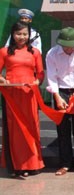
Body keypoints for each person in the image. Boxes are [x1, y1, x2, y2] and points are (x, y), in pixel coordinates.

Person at [0, 21, 44, 177]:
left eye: (25, 34)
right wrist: (3, 80)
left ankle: (32, 164)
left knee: (31, 127)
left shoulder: (35, 53)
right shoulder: (4, 52)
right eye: (19, 34)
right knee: (15, 129)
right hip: (12, 96)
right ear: (12, 34)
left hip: (29, 95)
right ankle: (16, 165)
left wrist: (36, 82)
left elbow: (40, 74)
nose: (22, 37)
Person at [46, 27, 74, 176]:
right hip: (61, 90)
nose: (70, 49)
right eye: (67, 46)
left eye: (72, 46)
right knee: (63, 129)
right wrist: (57, 97)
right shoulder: (52, 54)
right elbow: (52, 77)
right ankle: (65, 163)